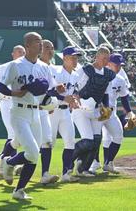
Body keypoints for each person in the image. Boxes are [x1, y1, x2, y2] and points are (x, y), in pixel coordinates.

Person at [0, 32, 56, 200]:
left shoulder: (44, 67)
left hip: (36, 112)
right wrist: (14, 92)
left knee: (34, 155)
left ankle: (18, 189)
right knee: (33, 152)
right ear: (28, 45)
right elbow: (0, 86)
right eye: (37, 42)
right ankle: (9, 162)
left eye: (41, 42)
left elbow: (48, 90)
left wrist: (49, 100)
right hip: (19, 112)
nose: (41, 44)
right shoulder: (15, 65)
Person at [71, 46, 115, 176]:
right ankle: (68, 162)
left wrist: (106, 108)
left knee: (96, 141)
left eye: (108, 59)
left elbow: (106, 93)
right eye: (104, 58)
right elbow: (74, 87)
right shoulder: (85, 70)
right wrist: (75, 99)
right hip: (81, 108)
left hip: (95, 110)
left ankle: (83, 168)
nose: (106, 61)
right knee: (88, 141)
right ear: (97, 56)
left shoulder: (108, 74)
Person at [89, 53, 136, 174]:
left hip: (111, 112)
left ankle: (108, 163)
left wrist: (130, 113)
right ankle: (94, 163)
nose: (119, 67)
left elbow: (124, 98)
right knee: (95, 138)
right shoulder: (98, 75)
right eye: (117, 64)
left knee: (118, 135)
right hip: (98, 112)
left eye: (120, 65)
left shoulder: (120, 80)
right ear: (109, 63)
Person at [48, 46, 82, 182]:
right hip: (53, 110)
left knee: (70, 142)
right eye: (72, 57)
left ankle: (66, 174)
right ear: (64, 58)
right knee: (48, 144)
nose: (75, 60)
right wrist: (64, 98)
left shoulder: (75, 75)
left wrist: (74, 100)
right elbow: (48, 91)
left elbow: (73, 93)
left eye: (76, 58)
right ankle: (22, 162)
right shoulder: (56, 71)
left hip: (66, 112)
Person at [0, 45, 26, 177]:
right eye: (18, 52)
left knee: (16, 134)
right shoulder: (5, 66)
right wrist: (0, 92)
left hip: (20, 102)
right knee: (12, 133)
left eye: (23, 52)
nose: (21, 53)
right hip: (7, 101)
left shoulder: (26, 67)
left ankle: (4, 158)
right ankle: (9, 162)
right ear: (13, 54)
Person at [37, 40, 60, 185]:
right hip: (29, 110)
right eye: (47, 48)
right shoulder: (33, 66)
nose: (50, 51)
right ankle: (9, 161)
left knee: (47, 142)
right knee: (26, 144)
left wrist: (50, 102)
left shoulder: (54, 69)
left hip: (45, 111)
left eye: (52, 48)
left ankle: (45, 174)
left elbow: (52, 90)